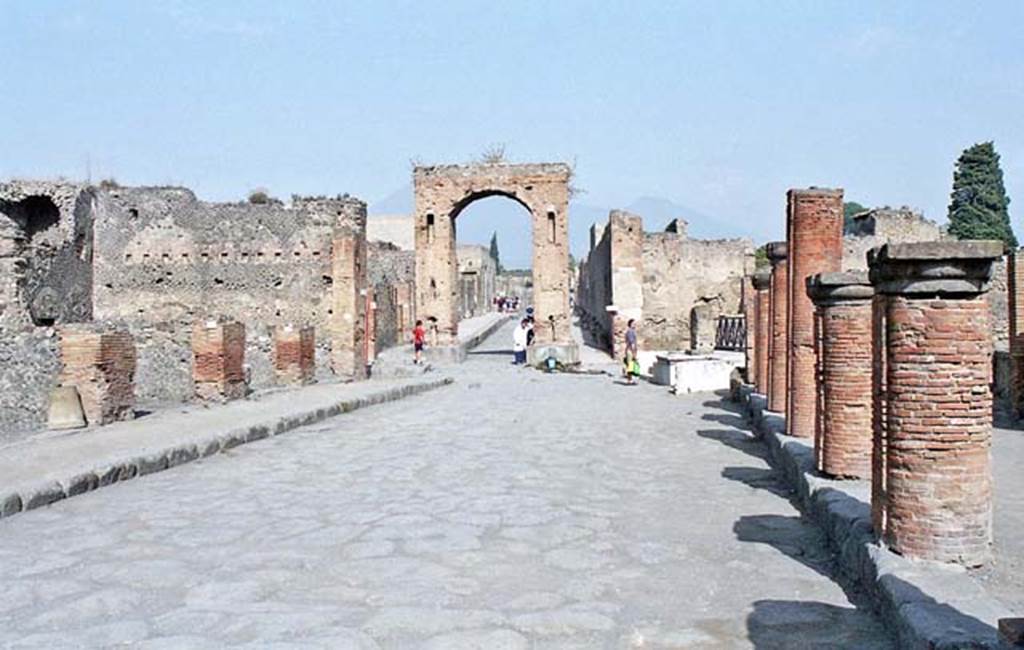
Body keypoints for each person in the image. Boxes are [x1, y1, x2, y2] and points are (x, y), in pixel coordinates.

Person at [623, 319, 639, 384]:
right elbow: (631, 342)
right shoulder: (630, 332)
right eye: (633, 323)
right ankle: (629, 380)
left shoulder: (632, 331)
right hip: (630, 350)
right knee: (630, 365)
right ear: (630, 324)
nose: (635, 324)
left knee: (631, 365)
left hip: (630, 350)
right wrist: (634, 352)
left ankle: (630, 379)